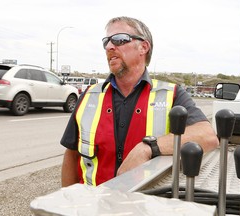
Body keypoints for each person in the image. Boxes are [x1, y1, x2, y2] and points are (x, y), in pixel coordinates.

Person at [60, 16, 219, 187]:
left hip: (146, 206)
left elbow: (207, 136)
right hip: (95, 206)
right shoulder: (90, 95)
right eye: (106, 42)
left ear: (143, 47)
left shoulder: (171, 95)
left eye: (119, 39)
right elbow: (72, 154)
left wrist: (149, 148)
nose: (109, 47)